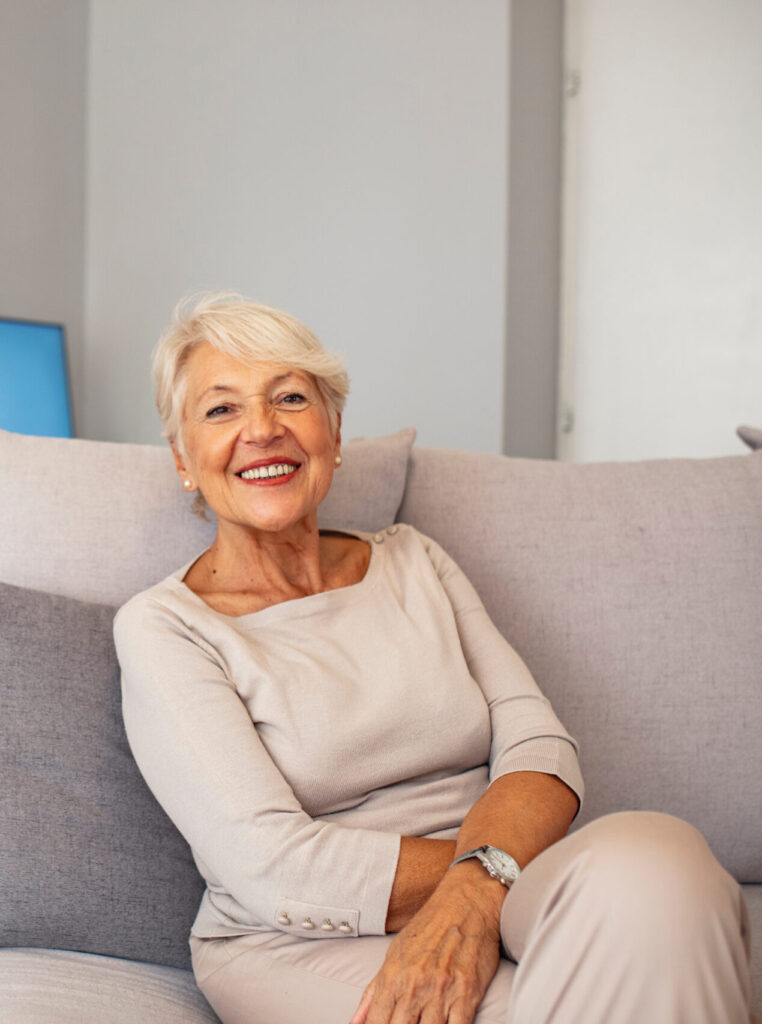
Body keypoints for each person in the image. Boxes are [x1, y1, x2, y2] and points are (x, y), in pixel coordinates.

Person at [114, 293, 752, 1024]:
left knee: (661, 863)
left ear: (333, 430)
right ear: (183, 459)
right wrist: (480, 876)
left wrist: (479, 891)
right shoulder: (167, 627)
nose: (263, 429)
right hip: (297, 935)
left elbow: (536, 744)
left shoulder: (414, 560)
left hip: (505, 874)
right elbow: (269, 863)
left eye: (291, 397)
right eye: (221, 410)